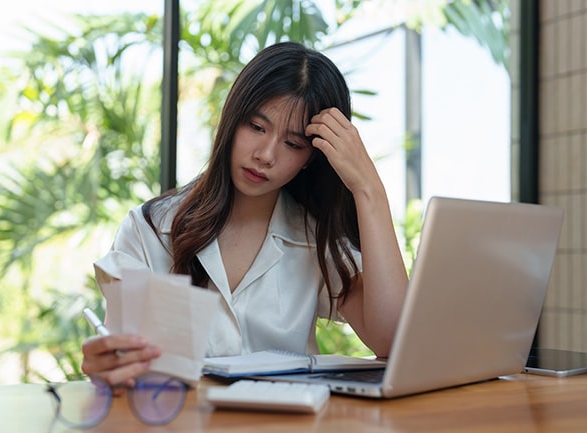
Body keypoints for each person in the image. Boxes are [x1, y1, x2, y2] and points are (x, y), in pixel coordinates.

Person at [81, 41, 408, 387]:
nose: (266, 155)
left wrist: (369, 190)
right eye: (256, 127)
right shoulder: (149, 230)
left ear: (312, 158)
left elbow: (393, 340)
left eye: (293, 144)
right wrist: (106, 366)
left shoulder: (317, 241)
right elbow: (122, 374)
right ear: (231, 118)